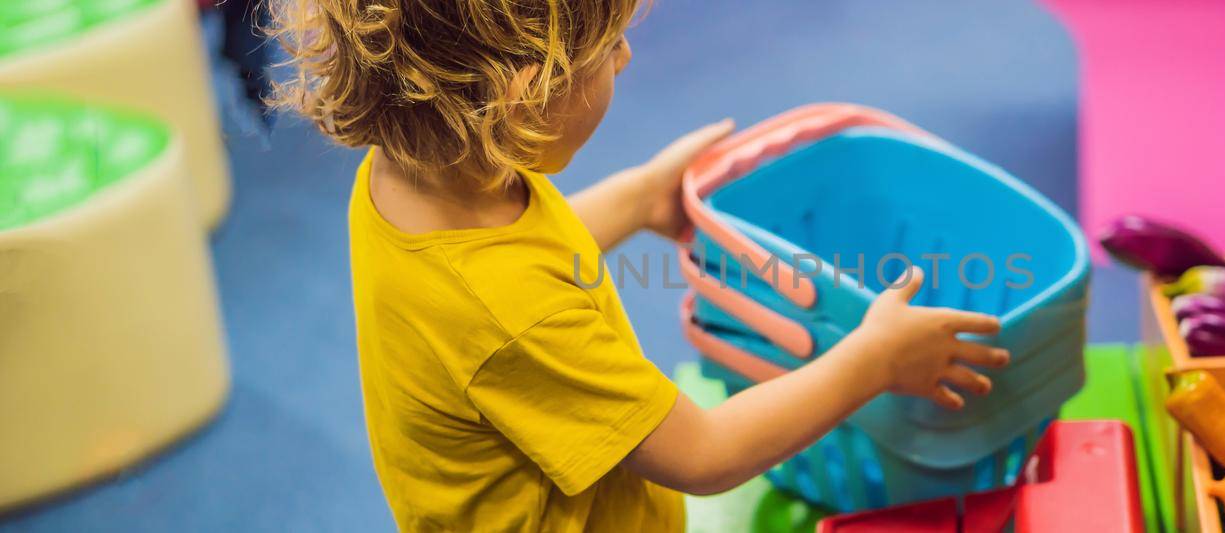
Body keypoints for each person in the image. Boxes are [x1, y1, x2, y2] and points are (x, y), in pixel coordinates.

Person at [270, 1, 1008, 530]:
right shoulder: (511, 312)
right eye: (611, 46)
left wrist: (642, 197)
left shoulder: (410, 173)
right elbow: (705, 452)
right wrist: (874, 360)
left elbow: (511, 268)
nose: (625, 56)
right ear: (523, 97)